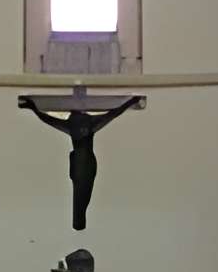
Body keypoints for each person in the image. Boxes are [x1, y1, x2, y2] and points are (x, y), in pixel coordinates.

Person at [18, 94, 145, 229]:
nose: (80, 127)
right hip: (81, 167)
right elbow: (113, 114)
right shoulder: (79, 125)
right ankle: (78, 222)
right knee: (81, 196)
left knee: (82, 195)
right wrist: (31, 106)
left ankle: (78, 222)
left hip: (83, 166)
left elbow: (113, 114)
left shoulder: (85, 125)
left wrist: (32, 107)